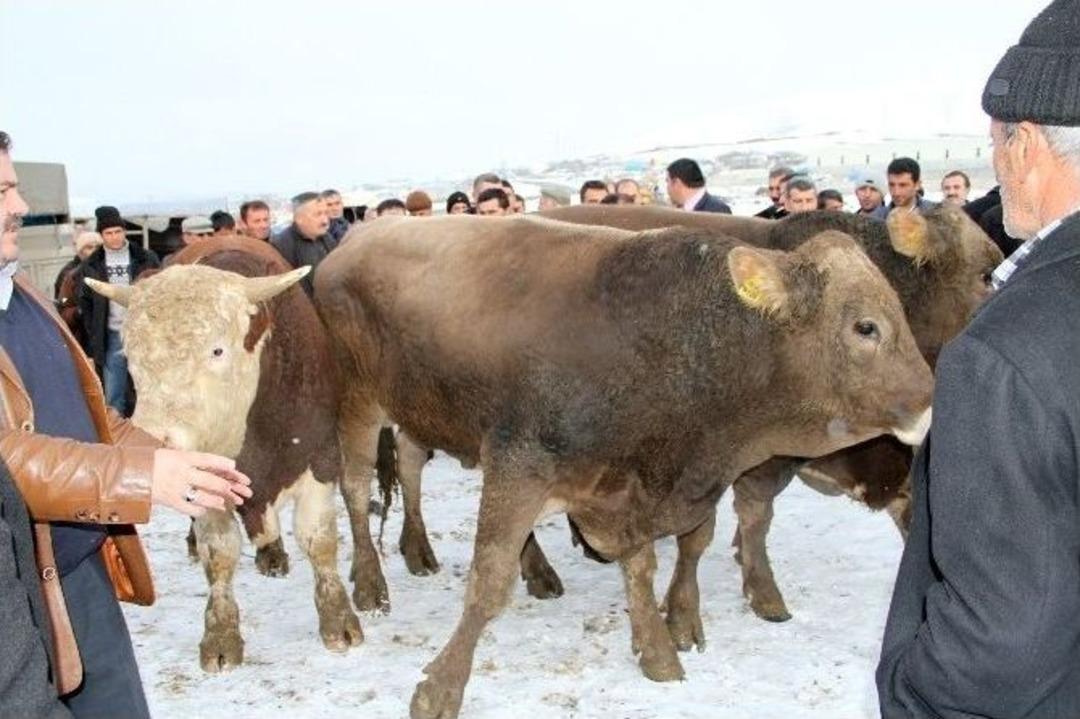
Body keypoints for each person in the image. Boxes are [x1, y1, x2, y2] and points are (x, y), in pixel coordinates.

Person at [0, 128, 252, 718]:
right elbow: (6, 457)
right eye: (3, 192)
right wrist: (142, 478)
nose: (21, 205)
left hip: (73, 569)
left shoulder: (21, 294)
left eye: (14, 188)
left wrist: (165, 456)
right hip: (16, 592)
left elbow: (88, 414)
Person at [877, 2, 1080, 714]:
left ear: (1024, 142)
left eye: (994, 141)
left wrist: (911, 691)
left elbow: (1001, 641)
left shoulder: (1007, 352)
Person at [77, 206, 160, 416]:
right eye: (108, 233)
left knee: (152, 387)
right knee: (114, 393)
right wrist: (95, 332)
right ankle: (117, 432)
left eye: (118, 231)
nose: (114, 237)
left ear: (124, 231)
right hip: (112, 334)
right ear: (101, 235)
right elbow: (86, 302)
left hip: (144, 332)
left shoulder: (146, 258)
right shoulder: (91, 264)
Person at [271, 192, 336, 296]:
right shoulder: (281, 246)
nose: (325, 221)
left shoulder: (328, 239)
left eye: (326, 214)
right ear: (299, 218)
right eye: (318, 214)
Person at [872, 157, 937, 218]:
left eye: (903, 185)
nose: (896, 192)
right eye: (892, 185)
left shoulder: (935, 213)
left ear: (917, 185)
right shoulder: (877, 217)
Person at [665, 158, 731, 213]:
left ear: (677, 183)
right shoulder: (678, 209)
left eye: (667, 181)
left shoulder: (718, 210)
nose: (667, 188)